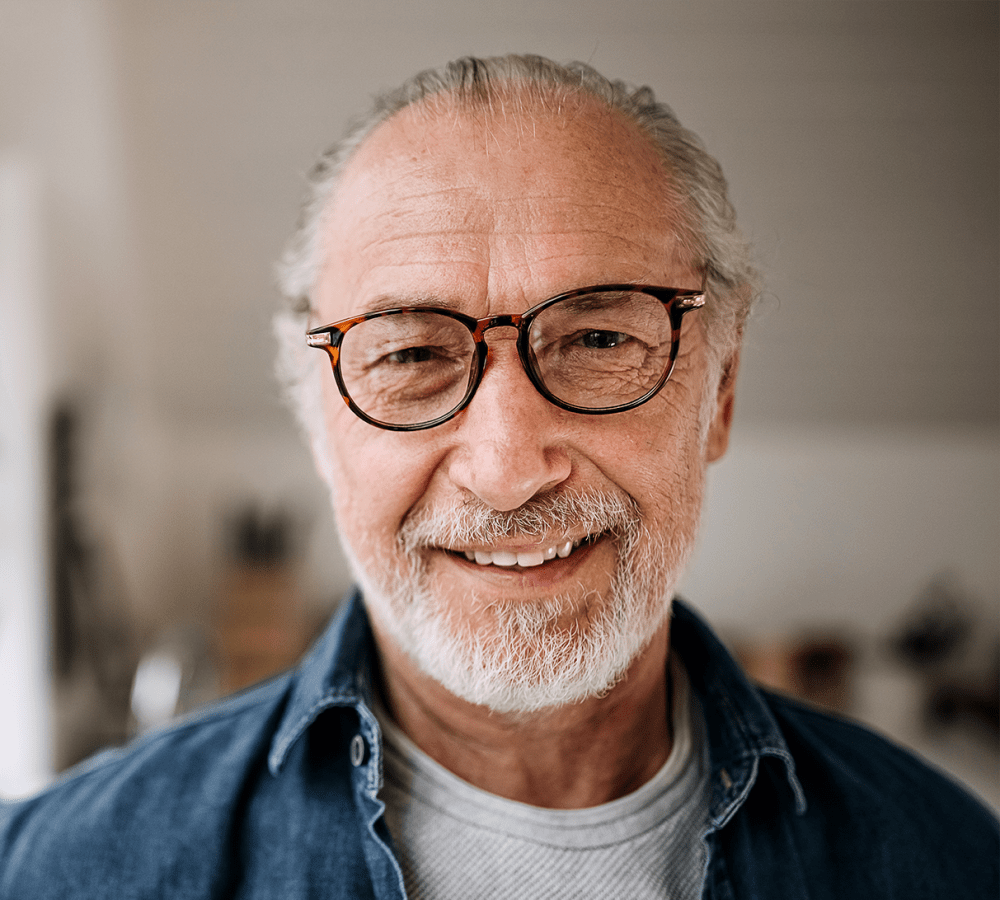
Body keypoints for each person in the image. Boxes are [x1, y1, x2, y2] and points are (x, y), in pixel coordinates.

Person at [1, 54, 996, 899]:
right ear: (318, 420)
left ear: (719, 396)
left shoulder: (946, 862)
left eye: (599, 336)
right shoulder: (65, 871)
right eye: (410, 356)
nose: (509, 467)